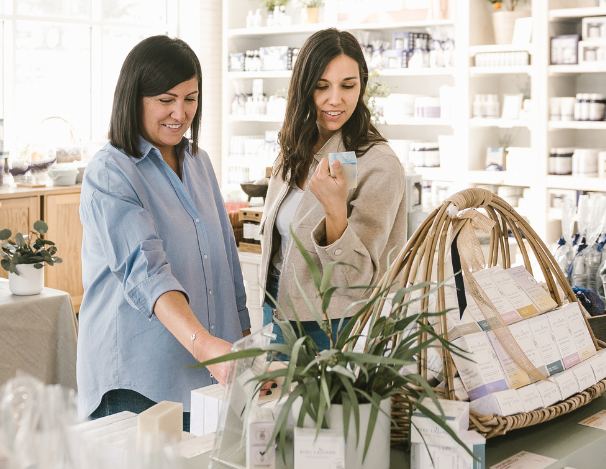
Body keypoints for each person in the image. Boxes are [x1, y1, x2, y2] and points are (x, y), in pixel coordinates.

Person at [78, 35, 249, 429]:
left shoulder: (198, 162)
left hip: (207, 376)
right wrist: (205, 345)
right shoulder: (111, 172)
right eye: (165, 99)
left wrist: (242, 337)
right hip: (138, 381)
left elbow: (224, 254)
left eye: (190, 98)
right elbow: (146, 271)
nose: (180, 112)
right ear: (133, 98)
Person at [258, 28, 406, 347]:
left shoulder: (376, 163)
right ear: (303, 86)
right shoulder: (292, 150)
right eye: (322, 86)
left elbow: (355, 282)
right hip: (276, 313)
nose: (335, 99)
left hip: (331, 328)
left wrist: (335, 213)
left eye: (348, 85)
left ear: (362, 85)